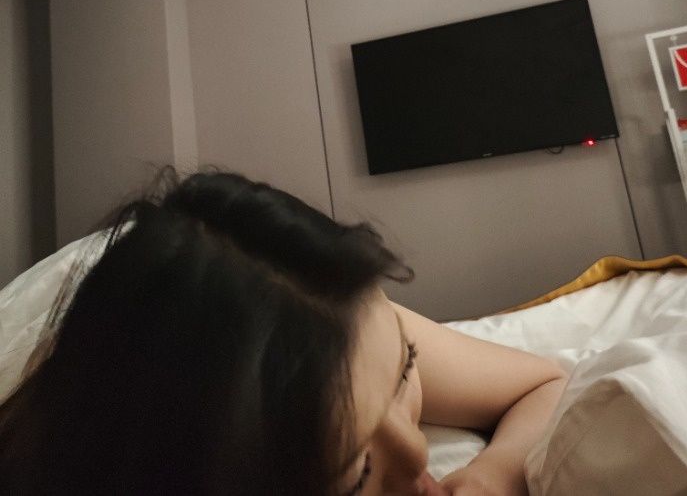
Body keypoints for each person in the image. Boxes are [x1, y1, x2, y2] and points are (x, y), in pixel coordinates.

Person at [0, 166, 567, 495]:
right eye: (355, 478)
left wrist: (494, 473)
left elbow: (542, 384)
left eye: (406, 370)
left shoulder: (331, 327)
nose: (418, 457)